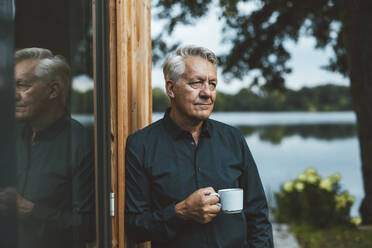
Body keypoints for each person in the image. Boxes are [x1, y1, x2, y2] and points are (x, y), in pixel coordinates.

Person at [125, 45, 273, 248]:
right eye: (197, 83)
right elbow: (134, 227)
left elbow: (258, 216)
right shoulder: (140, 145)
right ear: (171, 89)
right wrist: (180, 212)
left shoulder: (233, 139)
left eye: (212, 84)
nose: (207, 93)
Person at [11, 47, 95, 248]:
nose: (13, 96)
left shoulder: (81, 143)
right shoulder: (10, 137)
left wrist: (30, 210)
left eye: (22, 85)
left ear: (53, 91)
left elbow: (89, 227)